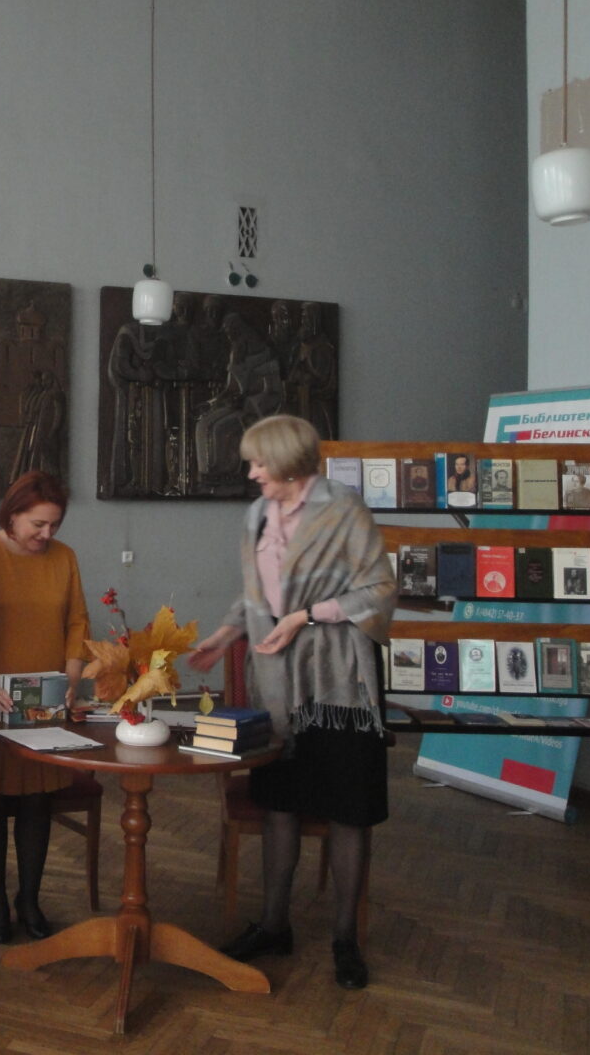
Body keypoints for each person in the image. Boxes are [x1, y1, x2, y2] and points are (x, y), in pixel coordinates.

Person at [187, 414, 396, 991]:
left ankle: (345, 940)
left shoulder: (343, 509)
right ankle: (274, 925)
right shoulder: (257, 515)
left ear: (287, 464)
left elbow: (379, 589)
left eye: (260, 463)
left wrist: (307, 615)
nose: (252, 473)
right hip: (277, 682)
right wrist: (224, 635)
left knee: (348, 811)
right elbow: (256, 593)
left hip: (338, 683)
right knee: (279, 802)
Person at [0, 471, 89, 944]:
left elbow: (77, 622)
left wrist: (72, 678)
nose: (47, 534)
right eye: (38, 524)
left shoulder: (64, 558)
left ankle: (29, 899)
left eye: (54, 525)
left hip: (44, 701)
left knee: (37, 799)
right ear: (11, 516)